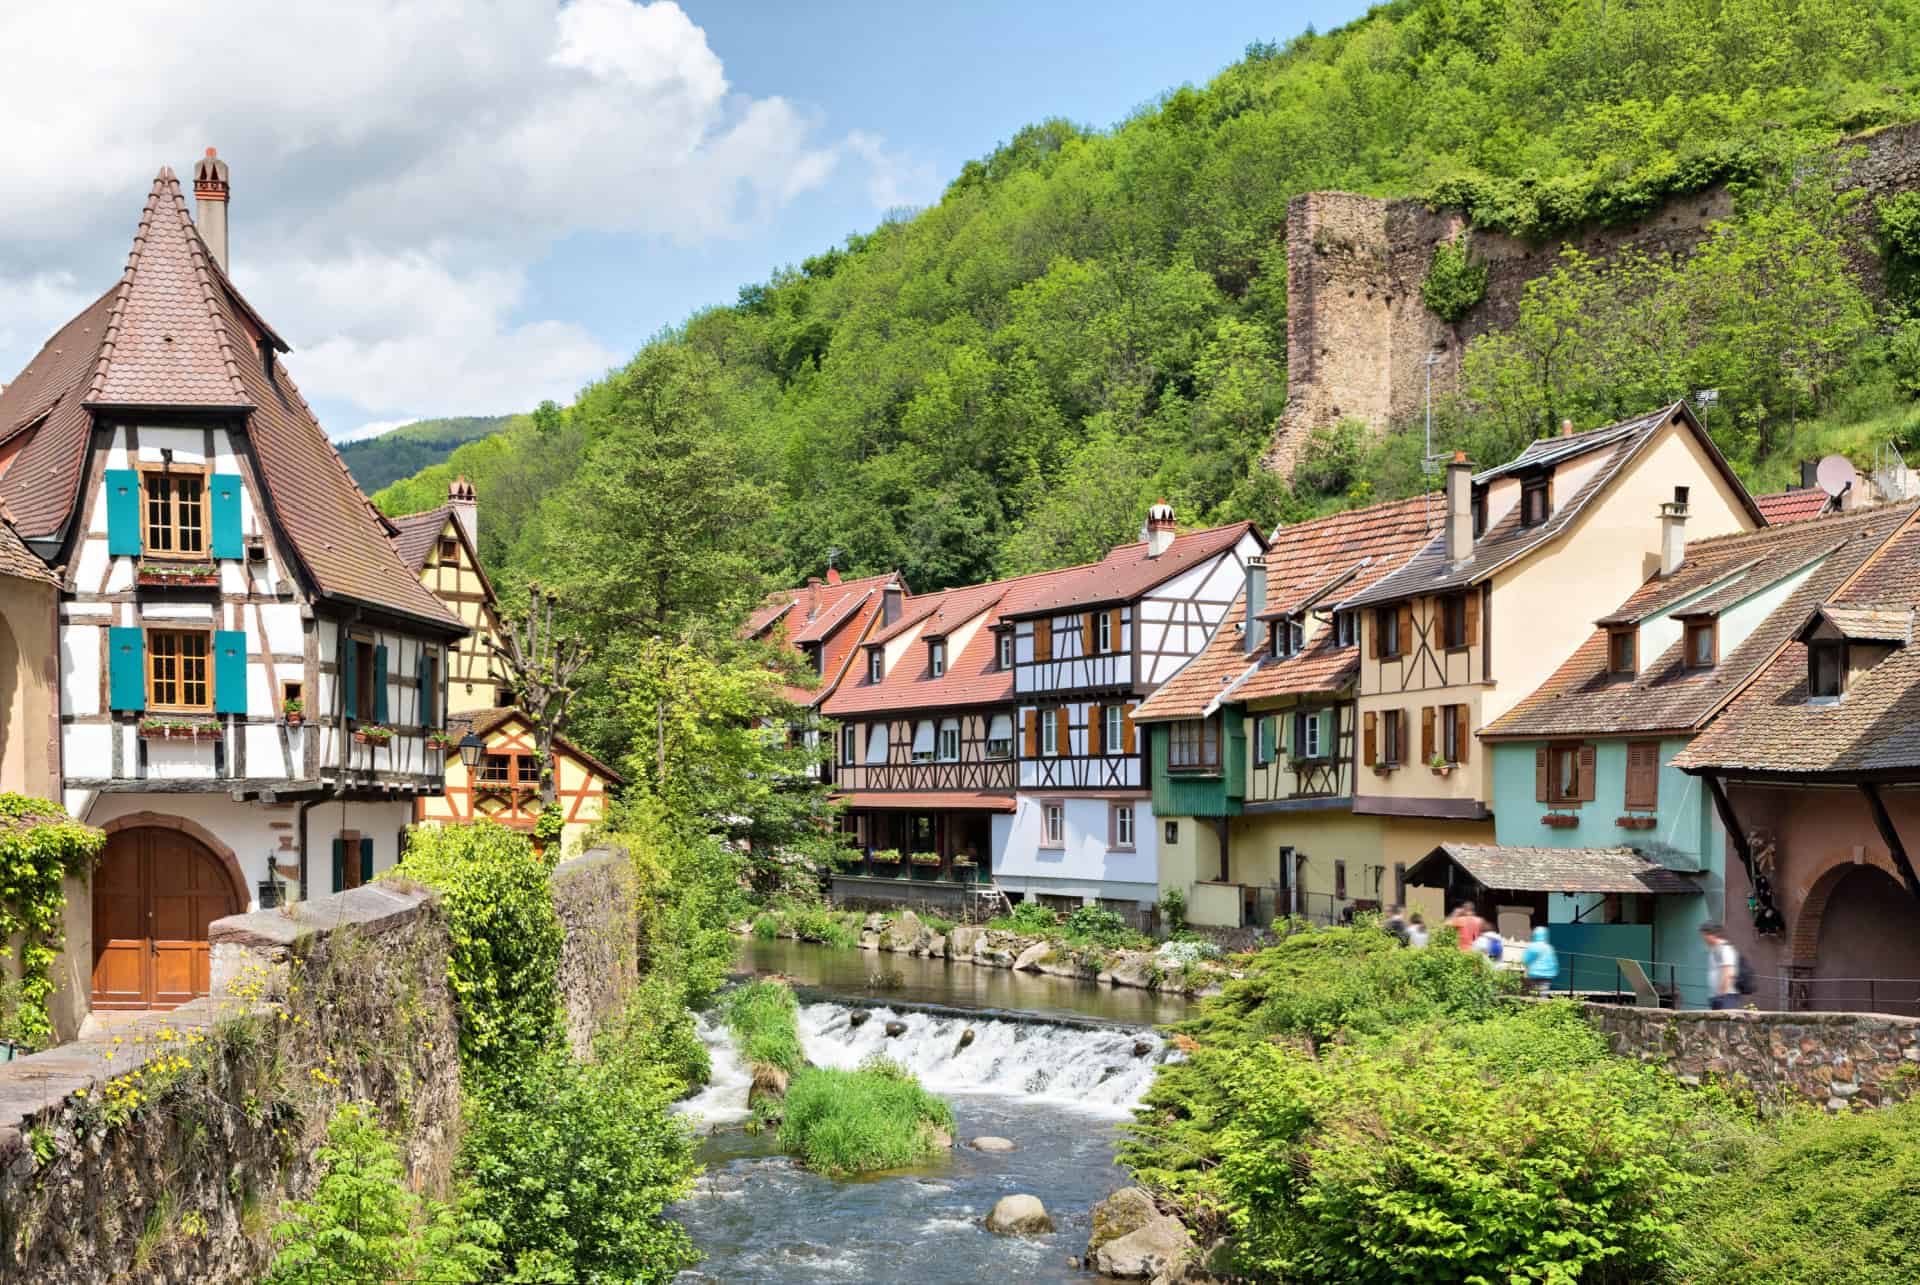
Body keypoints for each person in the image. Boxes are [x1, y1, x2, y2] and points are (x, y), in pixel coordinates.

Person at [1701, 922, 1743, 1010]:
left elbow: (1728, 972)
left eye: (1704, 934)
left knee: (1725, 1019)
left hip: (1726, 996)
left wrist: (1721, 994)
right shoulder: (1714, 949)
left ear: (1712, 935)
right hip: (1717, 996)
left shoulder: (1725, 948)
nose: (1703, 938)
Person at [1522, 927, 1559, 996]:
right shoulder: (1549, 948)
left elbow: (1525, 959)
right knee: (1543, 994)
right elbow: (1553, 963)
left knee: (1533, 995)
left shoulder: (1532, 946)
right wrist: (1553, 972)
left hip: (1534, 974)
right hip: (1546, 976)